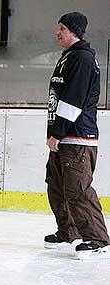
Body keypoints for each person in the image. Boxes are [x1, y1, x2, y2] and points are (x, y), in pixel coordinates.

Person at [44, 12, 110, 259]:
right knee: (57, 186)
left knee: (78, 189)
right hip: (63, 138)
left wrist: (58, 132)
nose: (57, 32)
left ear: (74, 31)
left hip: (77, 137)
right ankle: (68, 231)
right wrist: (54, 133)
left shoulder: (82, 59)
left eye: (61, 28)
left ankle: (97, 238)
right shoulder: (69, 57)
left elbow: (73, 100)